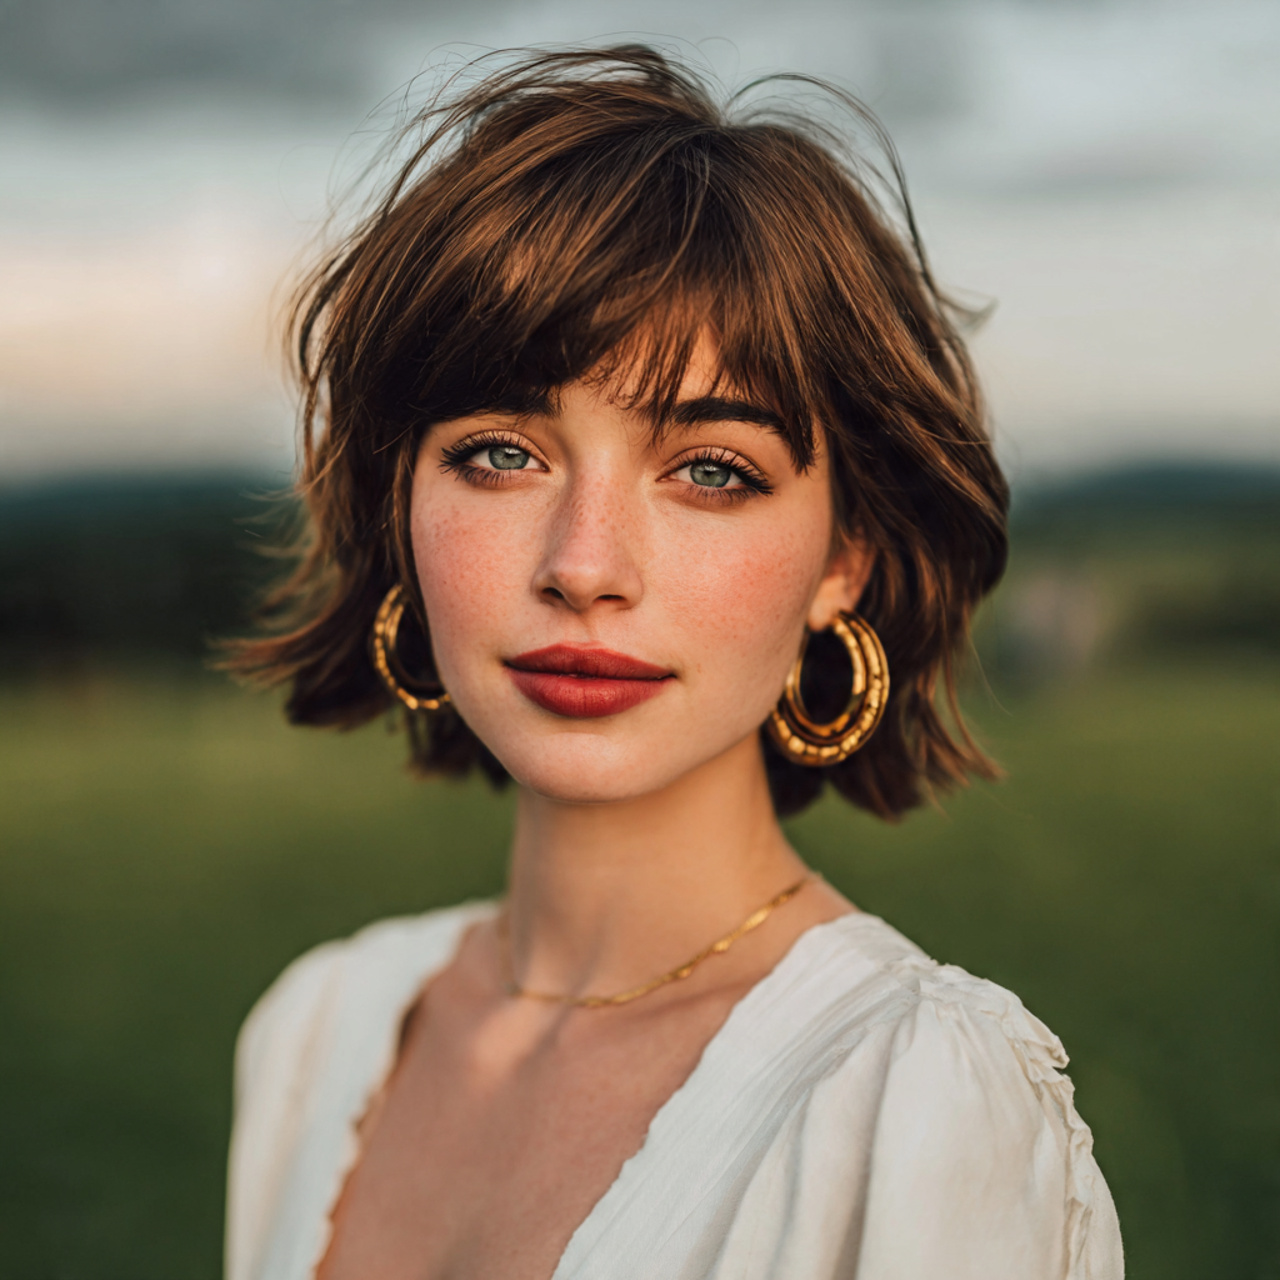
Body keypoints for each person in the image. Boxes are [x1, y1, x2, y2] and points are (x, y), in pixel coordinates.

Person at [225, 46, 1123, 1280]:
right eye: (499, 453)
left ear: (842, 560)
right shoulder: (316, 1032)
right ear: (399, 502)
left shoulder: (913, 1099)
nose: (584, 564)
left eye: (711, 469)